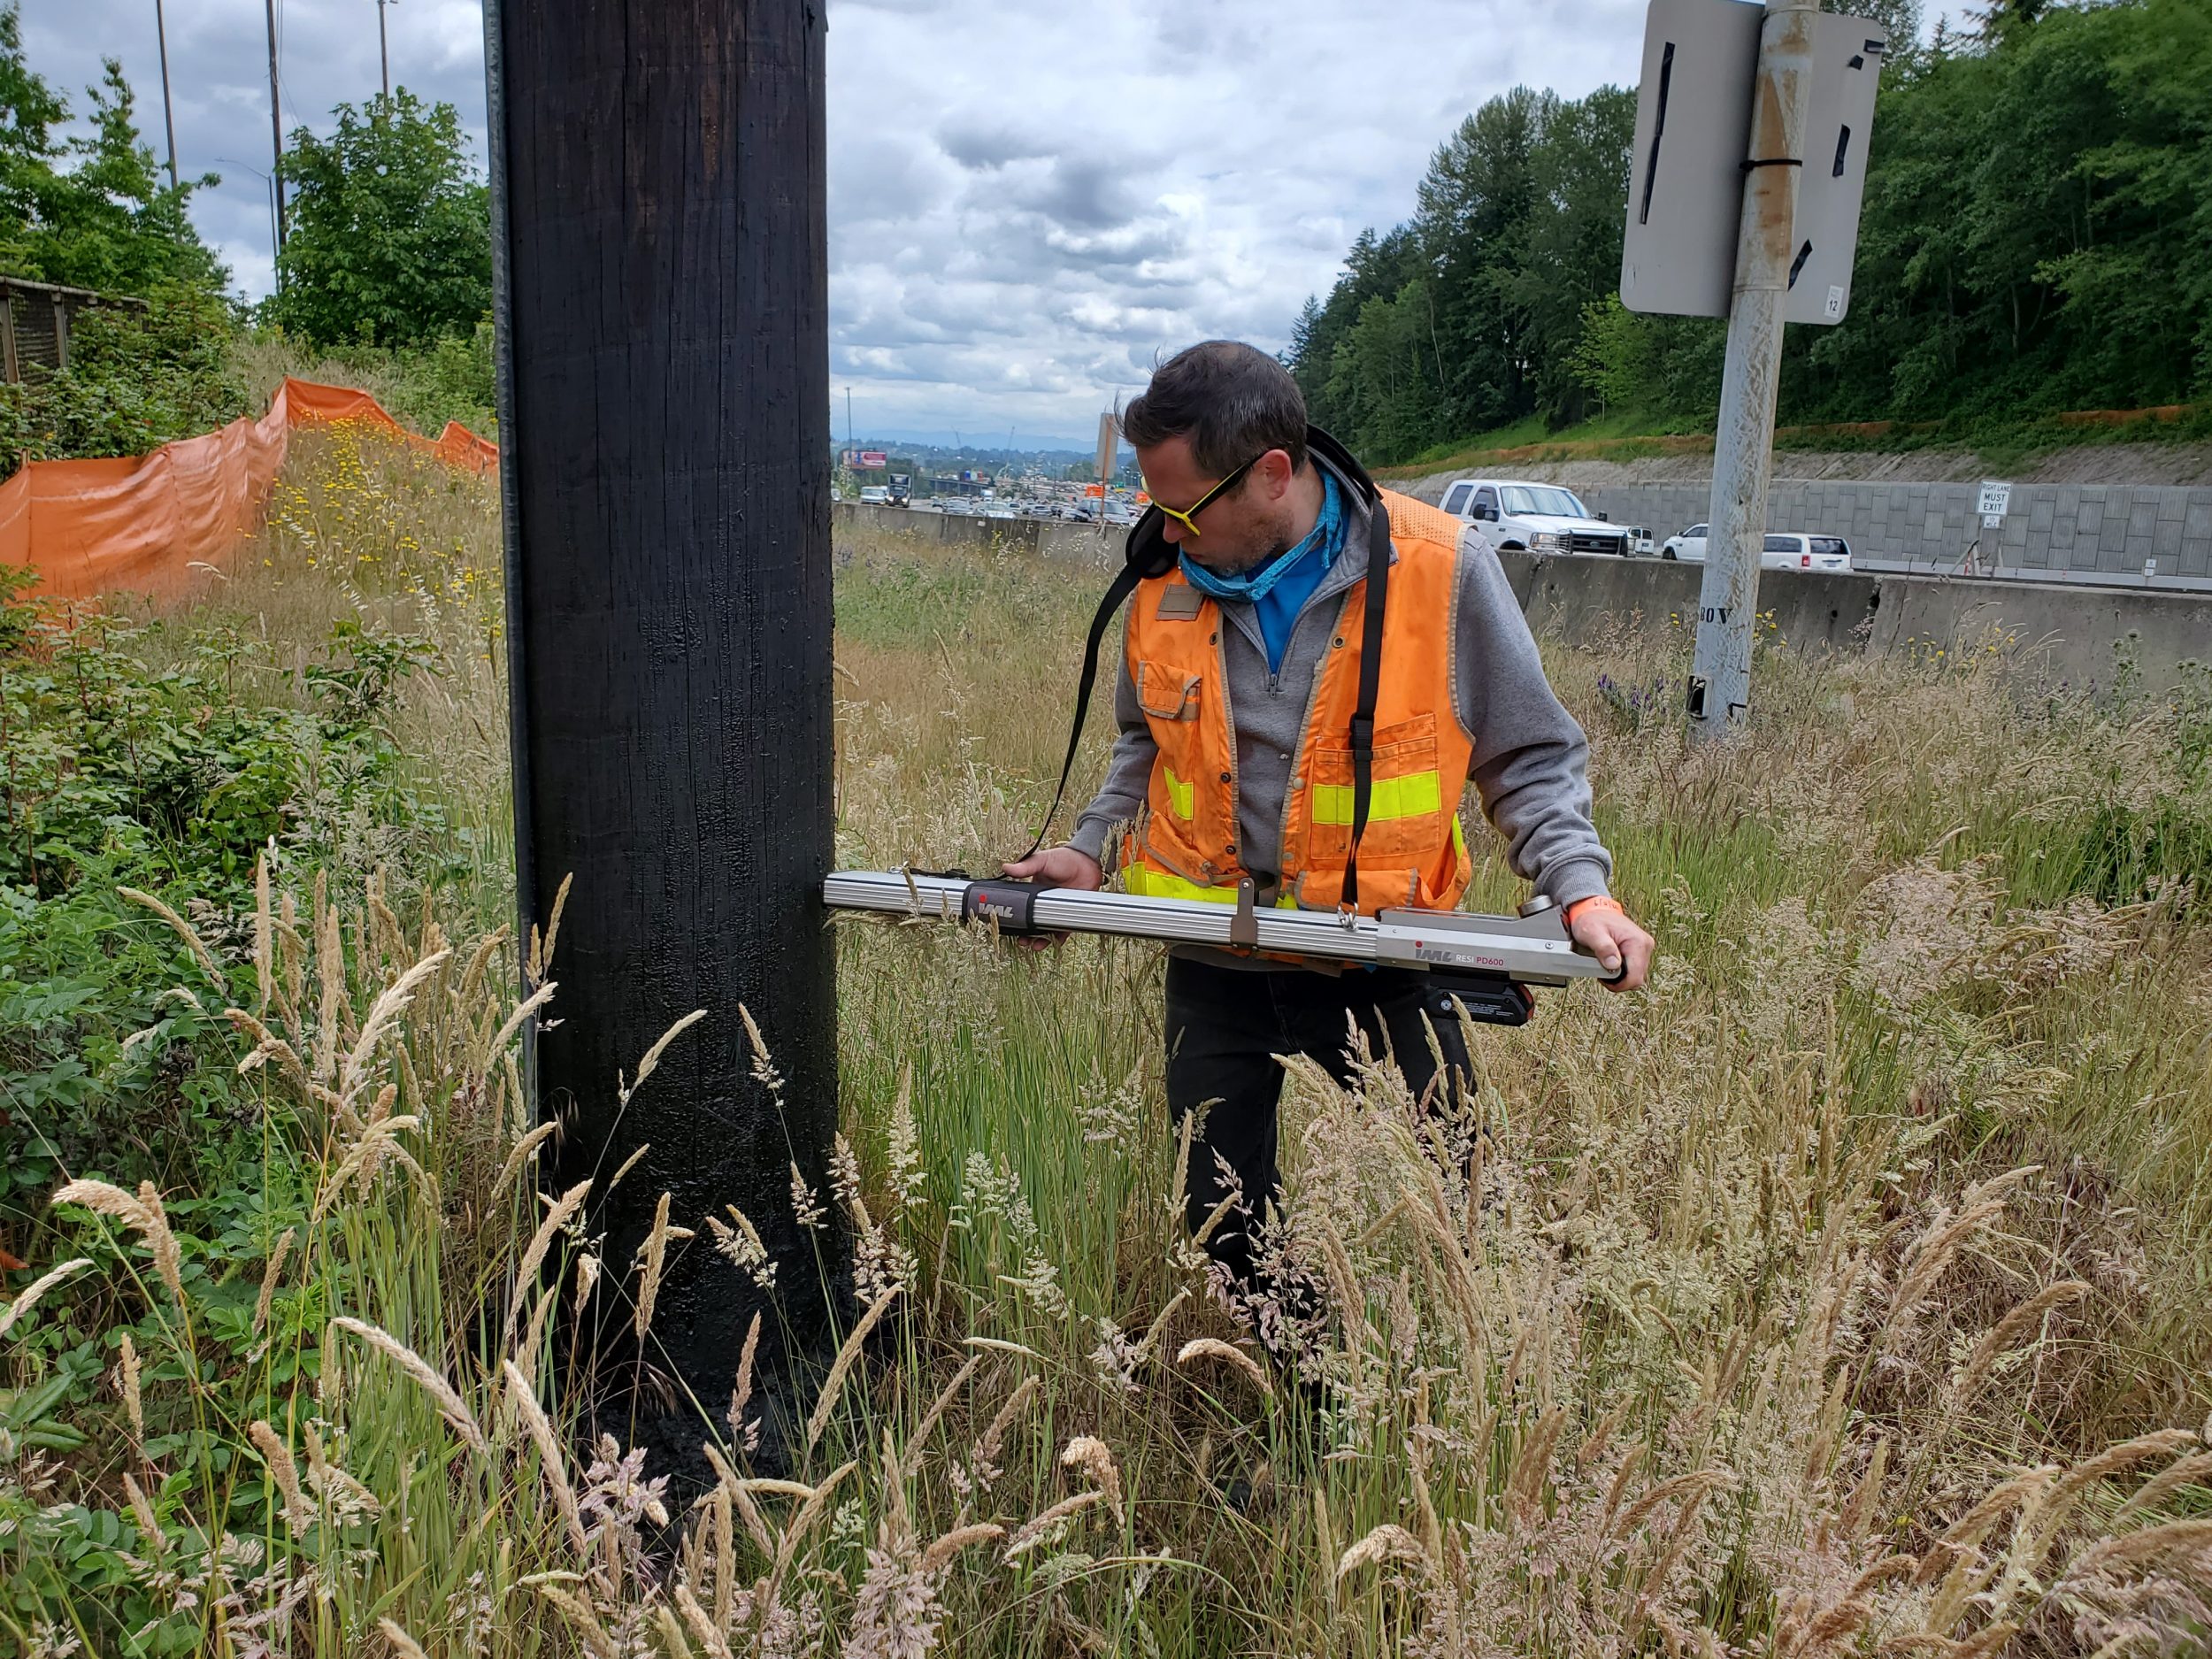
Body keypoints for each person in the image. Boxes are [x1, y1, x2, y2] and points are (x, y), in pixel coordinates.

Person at [1005, 341, 1654, 1302]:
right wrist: (1090, 852)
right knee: (1224, 1225)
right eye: (1157, 509)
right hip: (1214, 959)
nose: (1166, 532)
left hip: (1382, 954)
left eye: (1184, 509)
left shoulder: (1441, 572)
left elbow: (1528, 753)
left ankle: (1476, 1404)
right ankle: (1313, 1409)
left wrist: (1579, 887)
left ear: (1272, 475)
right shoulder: (1161, 580)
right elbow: (1144, 740)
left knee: (1467, 1208)